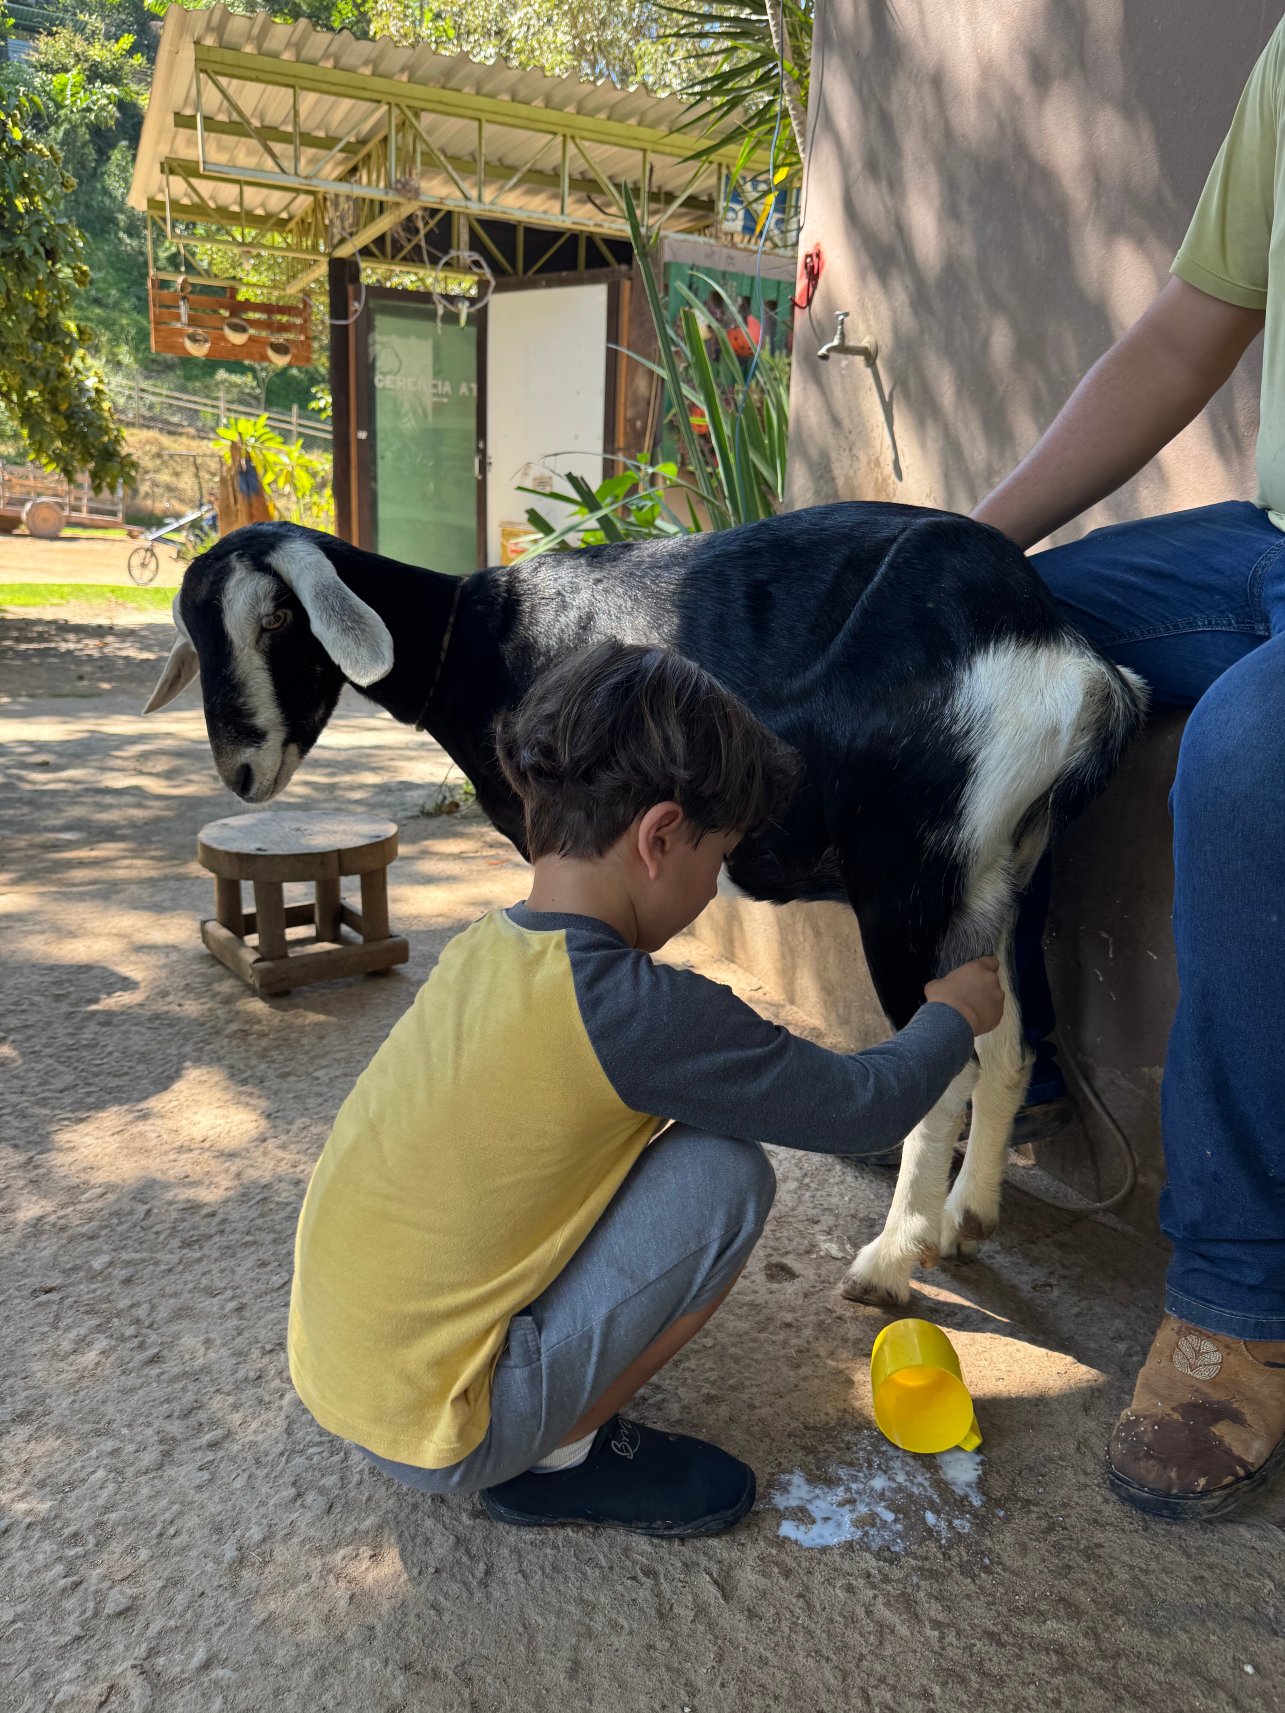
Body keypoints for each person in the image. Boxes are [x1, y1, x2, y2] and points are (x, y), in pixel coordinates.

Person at [287, 641, 1003, 1539]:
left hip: (345, 1372)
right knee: (722, 1175)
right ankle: (557, 1457)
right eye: (720, 858)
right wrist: (950, 1014)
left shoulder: (484, 948)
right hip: (446, 1429)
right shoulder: (638, 1011)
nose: (712, 890)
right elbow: (865, 1107)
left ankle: (531, 1413)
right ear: (660, 838)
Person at [973, 20, 1285, 1520]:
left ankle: (1237, 1294)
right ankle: (1014, 1072)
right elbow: (1186, 328)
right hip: (1268, 544)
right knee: (974, 634)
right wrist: (965, 547)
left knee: (1244, 754)